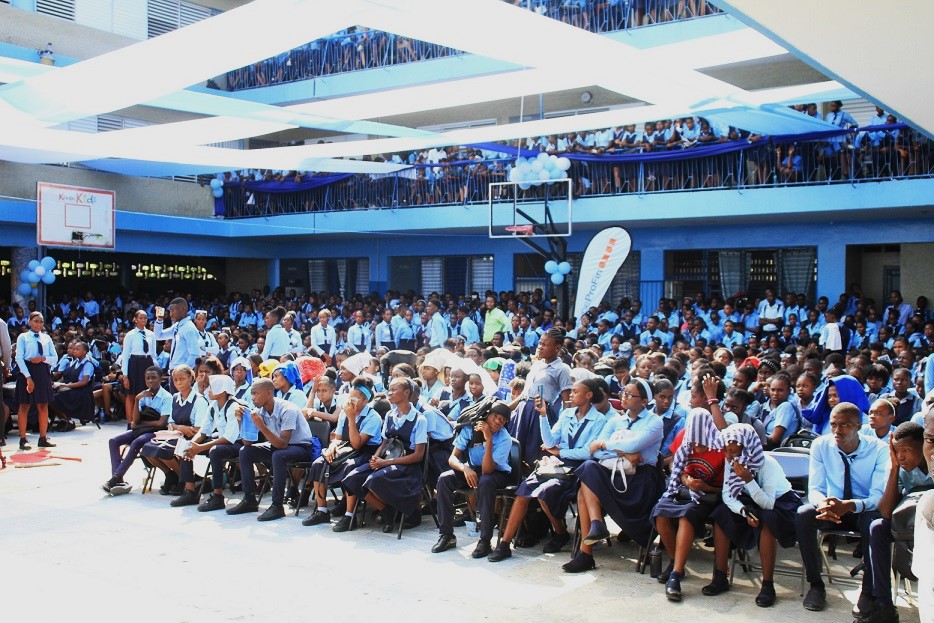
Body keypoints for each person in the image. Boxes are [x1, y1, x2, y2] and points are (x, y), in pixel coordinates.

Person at [488, 378, 607, 562]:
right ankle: (504, 544)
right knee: (523, 492)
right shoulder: (567, 414)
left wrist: (562, 451)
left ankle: (560, 532)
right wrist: (543, 415)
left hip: (579, 470)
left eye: (576, 391)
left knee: (545, 492)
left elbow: (588, 452)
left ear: (589, 395)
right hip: (557, 465)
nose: (571, 394)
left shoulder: (599, 419)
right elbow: (550, 442)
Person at [795, 401, 889, 613]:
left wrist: (850, 505)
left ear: (859, 425)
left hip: (862, 508)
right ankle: (816, 585)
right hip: (833, 507)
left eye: (845, 425)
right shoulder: (821, 445)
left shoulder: (878, 450)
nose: (837, 430)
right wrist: (823, 503)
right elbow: (815, 488)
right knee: (804, 514)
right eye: (833, 424)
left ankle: (867, 592)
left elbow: (878, 496)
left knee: (874, 523)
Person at [565, 378, 665, 572]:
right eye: (623, 393)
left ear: (643, 400)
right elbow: (594, 452)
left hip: (641, 479)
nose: (624, 397)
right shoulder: (616, 420)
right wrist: (624, 452)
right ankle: (596, 525)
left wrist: (606, 444)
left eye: (630, 395)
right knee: (588, 468)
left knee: (582, 492)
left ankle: (586, 552)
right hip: (615, 472)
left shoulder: (654, 422)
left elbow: (630, 445)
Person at [705, 424, 802, 607]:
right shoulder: (731, 461)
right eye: (725, 450)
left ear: (746, 446)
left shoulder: (767, 463)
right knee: (721, 514)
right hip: (751, 500)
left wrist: (748, 479)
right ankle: (720, 576)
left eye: (732, 451)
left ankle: (767, 585)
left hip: (780, 503)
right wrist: (743, 511)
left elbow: (768, 503)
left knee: (767, 520)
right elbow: (727, 494)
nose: (728, 456)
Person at [862, 421, 933, 623]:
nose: (901, 456)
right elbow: (885, 512)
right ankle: (884, 605)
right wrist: (894, 468)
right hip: (907, 526)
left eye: (907, 450)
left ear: (923, 446)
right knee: (877, 527)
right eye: (896, 450)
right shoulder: (900, 468)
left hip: (930, 528)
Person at [651, 408, 725, 601]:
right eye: (695, 443)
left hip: (711, 496)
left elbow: (730, 488)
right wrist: (686, 479)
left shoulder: (721, 446)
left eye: (702, 444)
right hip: (684, 490)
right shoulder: (686, 438)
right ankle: (677, 561)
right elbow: (677, 470)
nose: (698, 448)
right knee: (660, 513)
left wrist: (706, 486)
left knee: (686, 516)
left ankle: (675, 575)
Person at [336, 377, 428, 532]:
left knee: (373, 479)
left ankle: (402, 512)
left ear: (406, 393)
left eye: (393, 390)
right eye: (389, 389)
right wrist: (376, 457)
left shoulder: (419, 419)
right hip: (387, 459)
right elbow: (384, 442)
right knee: (353, 478)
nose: (389, 393)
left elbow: (418, 455)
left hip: (406, 465)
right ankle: (386, 510)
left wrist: (385, 463)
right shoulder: (391, 415)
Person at [226, 377, 321, 521]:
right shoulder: (260, 411)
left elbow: (283, 444)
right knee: (245, 452)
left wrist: (261, 427)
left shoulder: (287, 409)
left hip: (301, 448)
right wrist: (241, 421)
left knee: (278, 455)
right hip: (279, 447)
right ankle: (249, 499)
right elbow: (246, 442)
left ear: (269, 394)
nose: (253, 398)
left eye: (256, 394)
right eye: (251, 394)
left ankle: (277, 506)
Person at [432, 401, 513, 557]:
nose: (497, 421)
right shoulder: (471, 428)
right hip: (474, 469)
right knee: (444, 479)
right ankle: (447, 535)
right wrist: (465, 468)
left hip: (497, 474)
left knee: (486, 481)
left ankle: (485, 540)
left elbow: (488, 470)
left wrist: (488, 439)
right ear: (488, 415)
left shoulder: (504, 439)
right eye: (495, 416)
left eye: (502, 420)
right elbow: (452, 459)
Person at [302, 376, 382, 526]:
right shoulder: (345, 413)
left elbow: (358, 444)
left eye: (355, 399)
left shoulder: (373, 417)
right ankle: (322, 510)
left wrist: (352, 419)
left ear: (365, 401)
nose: (351, 402)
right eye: (350, 398)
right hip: (345, 448)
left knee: (350, 467)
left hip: (364, 452)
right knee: (319, 463)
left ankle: (349, 514)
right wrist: (331, 447)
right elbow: (338, 437)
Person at [170, 374, 246, 508]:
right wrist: (192, 443)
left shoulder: (233, 407)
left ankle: (217, 497)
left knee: (215, 452)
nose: (207, 390)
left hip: (237, 443)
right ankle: (190, 491)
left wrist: (199, 447)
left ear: (222, 390)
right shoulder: (213, 405)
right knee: (186, 446)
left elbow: (229, 438)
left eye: (211, 387)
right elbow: (203, 431)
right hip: (222, 440)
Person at [140, 365, 210, 495]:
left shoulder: (199, 401)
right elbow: (171, 423)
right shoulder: (175, 398)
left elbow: (197, 429)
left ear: (191, 378)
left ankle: (186, 480)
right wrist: (180, 428)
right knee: (148, 449)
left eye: (182, 379)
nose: (178, 383)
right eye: (176, 380)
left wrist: (182, 428)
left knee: (164, 450)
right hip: (177, 434)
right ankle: (171, 475)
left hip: (194, 438)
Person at [103, 366, 172, 496]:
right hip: (142, 429)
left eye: (154, 378)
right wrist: (136, 400)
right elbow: (135, 420)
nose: (150, 381)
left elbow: (161, 423)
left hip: (156, 431)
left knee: (137, 443)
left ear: (161, 378)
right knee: (113, 441)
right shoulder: (143, 395)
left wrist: (141, 423)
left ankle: (115, 478)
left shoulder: (166, 397)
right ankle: (118, 479)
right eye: (147, 378)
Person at [14, 311, 59, 449]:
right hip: (27, 370)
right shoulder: (23, 337)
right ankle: (23, 439)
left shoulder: (46, 338)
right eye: (35, 321)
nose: (38, 324)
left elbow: (55, 357)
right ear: (29, 322)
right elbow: (19, 357)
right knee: (24, 405)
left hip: (42, 370)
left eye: (40, 321)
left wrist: (43, 358)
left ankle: (43, 437)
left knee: (43, 404)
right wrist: (28, 377)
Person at [121, 309, 157, 423]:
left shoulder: (151, 334)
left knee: (147, 392)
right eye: (140, 318)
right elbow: (125, 355)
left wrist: (157, 368)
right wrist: (125, 375)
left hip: (147, 363)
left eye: (145, 318)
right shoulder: (130, 335)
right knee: (131, 394)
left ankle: (143, 419)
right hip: (134, 363)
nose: (143, 320)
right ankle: (130, 422)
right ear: (135, 320)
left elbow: (153, 354)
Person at [49, 340, 95, 426]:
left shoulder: (88, 364)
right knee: (48, 394)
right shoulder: (74, 362)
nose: (74, 351)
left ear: (84, 352)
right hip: (71, 388)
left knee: (53, 398)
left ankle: (65, 419)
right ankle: (62, 418)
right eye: (74, 349)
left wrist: (67, 385)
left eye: (77, 349)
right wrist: (57, 384)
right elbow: (65, 377)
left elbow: (84, 382)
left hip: (81, 392)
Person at [153, 298, 200, 377]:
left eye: (173, 310)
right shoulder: (177, 326)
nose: (170, 314)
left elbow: (194, 355)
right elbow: (158, 336)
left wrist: (183, 372)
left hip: (181, 374)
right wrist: (159, 319)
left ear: (182, 309)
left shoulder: (189, 328)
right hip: (174, 371)